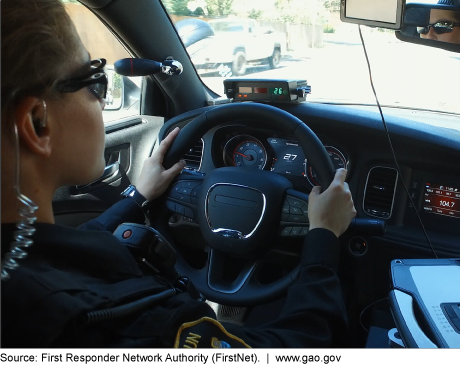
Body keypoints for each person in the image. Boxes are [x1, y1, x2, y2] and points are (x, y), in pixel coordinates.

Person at [1, 0, 356, 348]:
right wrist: (323, 234)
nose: (101, 98)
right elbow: (308, 338)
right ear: (37, 124)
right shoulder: (123, 325)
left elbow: (72, 251)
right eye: (95, 81)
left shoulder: (27, 271)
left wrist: (137, 196)